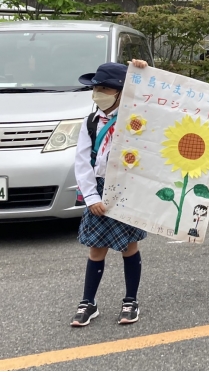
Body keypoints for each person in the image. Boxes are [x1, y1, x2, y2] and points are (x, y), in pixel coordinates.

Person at [71, 60, 149, 327]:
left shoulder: (137, 118)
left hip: (127, 189)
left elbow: (161, 104)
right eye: (96, 88)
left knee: (129, 247)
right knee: (96, 248)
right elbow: (82, 162)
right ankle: (88, 302)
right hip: (99, 189)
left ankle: (130, 301)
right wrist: (91, 197)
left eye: (105, 88)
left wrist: (142, 73)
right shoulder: (91, 122)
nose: (98, 93)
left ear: (120, 91)